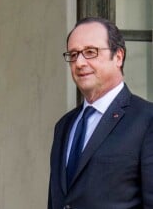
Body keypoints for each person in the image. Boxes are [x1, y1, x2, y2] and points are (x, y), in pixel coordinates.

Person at [48, 16, 153, 209]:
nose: (79, 63)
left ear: (118, 57)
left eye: (90, 52)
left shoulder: (146, 120)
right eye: (73, 54)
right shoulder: (64, 126)